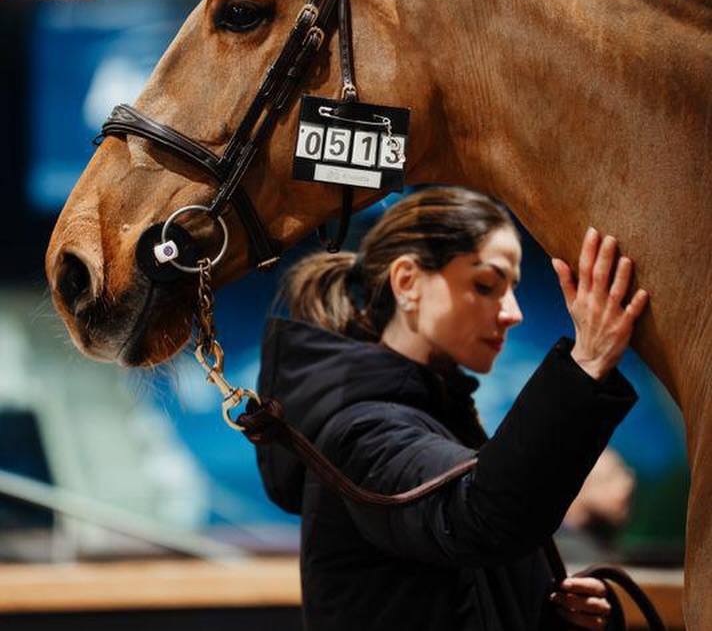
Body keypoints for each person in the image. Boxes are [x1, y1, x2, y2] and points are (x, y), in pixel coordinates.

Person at [255, 187, 649, 630]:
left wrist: (556, 618)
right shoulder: (359, 430)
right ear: (407, 283)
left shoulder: (441, 418)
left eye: (512, 289)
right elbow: (478, 518)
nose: (512, 312)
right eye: (486, 284)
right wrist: (586, 364)